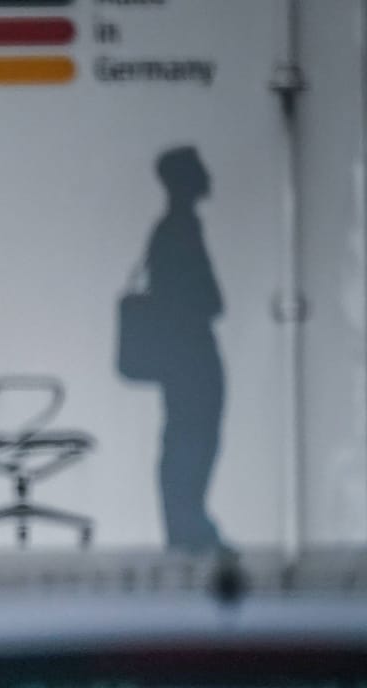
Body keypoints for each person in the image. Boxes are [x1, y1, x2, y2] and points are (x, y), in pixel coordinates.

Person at [131, 146, 226, 552]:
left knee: (189, 438)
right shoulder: (179, 229)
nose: (208, 175)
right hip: (190, 354)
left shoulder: (177, 227)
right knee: (191, 439)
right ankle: (187, 528)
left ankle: (189, 524)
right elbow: (208, 299)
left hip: (184, 353)